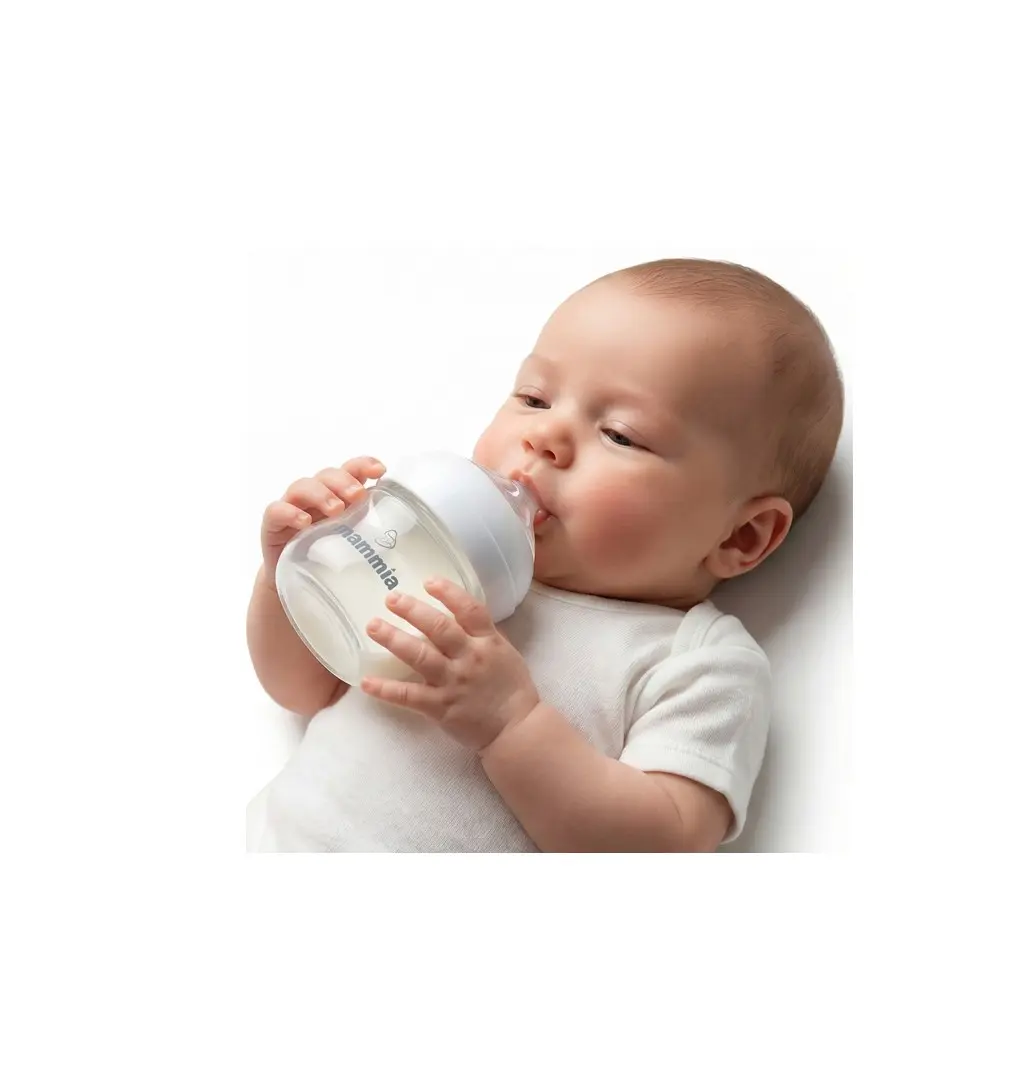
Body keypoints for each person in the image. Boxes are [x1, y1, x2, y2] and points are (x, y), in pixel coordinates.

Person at [246, 258, 844, 851]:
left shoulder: (696, 661)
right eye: (534, 398)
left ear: (741, 537)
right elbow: (306, 692)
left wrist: (512, 723)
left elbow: (666, 844)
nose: (544, 437)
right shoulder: (436, 561)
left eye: (620, 434)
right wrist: (287, 572)